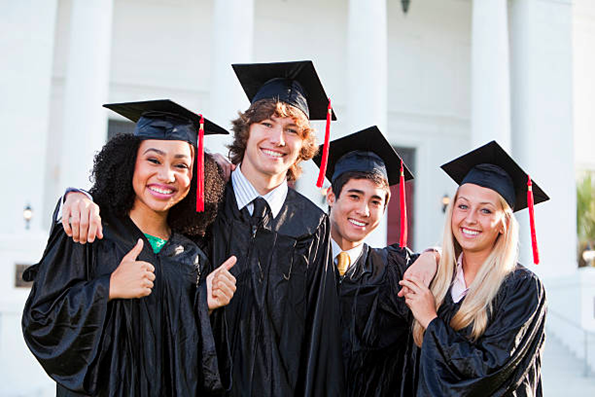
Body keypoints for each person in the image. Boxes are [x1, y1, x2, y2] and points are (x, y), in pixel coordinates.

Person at [22, 100, 238, 396]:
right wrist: (107, 287)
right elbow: (42, 321)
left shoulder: (192, 256)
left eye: (181, 165)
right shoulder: (89, 231)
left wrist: (205, 306)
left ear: (195, 178)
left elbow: (195, 364)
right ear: (128, 162)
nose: (167, 175)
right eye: (153, 160)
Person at [206, 60, 344, 396]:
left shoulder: (312, 225)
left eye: (292, 130)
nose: (277, 139)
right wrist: (74, 198)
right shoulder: (205, 205)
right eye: (267, 123)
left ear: (303, 145)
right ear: (247, 130)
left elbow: (319, 337)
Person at [399, 141, 549, 396]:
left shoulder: (522, 288)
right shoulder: (435, 278)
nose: (470, 218)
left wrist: (430, 320)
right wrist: (432, 255)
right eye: (463, 205)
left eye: (485, 210)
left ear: (503, 224)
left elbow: (488, 373)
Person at [312, 126, 439, 397]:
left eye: (375, 201)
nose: (363, 211)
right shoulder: (297, 261)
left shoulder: (396, 270)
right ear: (331, 195)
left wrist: (434, 254)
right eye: (354, 196)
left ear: (385, 207)